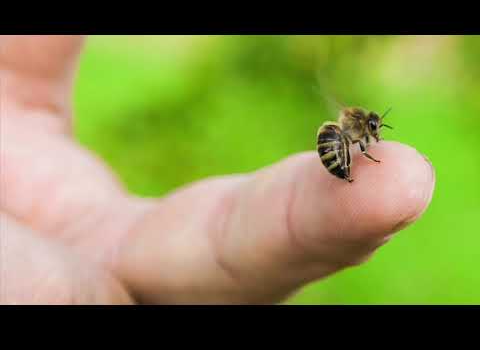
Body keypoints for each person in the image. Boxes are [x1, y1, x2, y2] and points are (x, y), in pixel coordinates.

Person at [0, 36, 435, 304]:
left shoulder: (355, 130)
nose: (375, 133)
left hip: (337, 152)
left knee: (376, 182)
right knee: (358, 165)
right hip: (335, 148)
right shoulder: (352, 131)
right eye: (373, 129)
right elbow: (351, 136)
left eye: (373, 131)